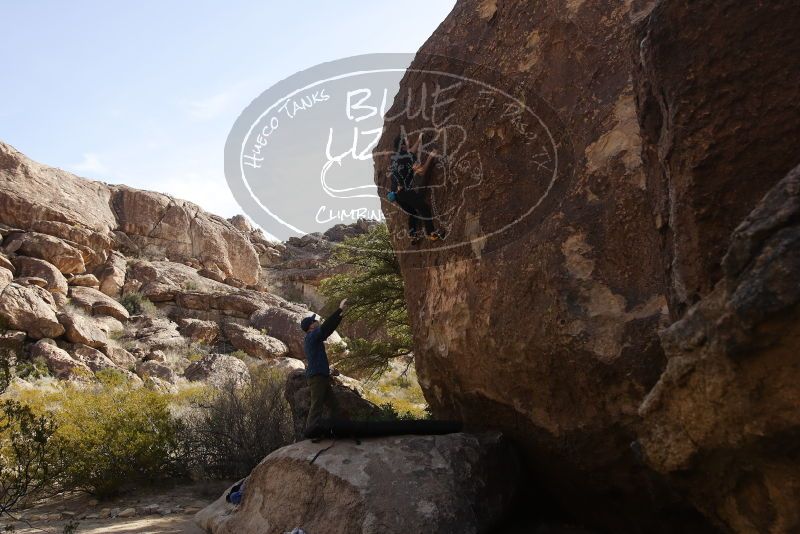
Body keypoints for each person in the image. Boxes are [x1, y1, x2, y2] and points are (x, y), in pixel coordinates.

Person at [300, 298, 348, 435]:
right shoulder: (311, 336)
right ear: (311, 326)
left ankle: (342, 428)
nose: (317, 321)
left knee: (334, 406)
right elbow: (326, 327)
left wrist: (340, 315)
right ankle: (310, 433)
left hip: (321, 376)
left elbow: (328, 329)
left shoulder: (313, 336)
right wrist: (339, 309)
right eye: (314, 321)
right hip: (317, 377)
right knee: (316, 405)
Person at [389, 132, 443, 244]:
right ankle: (431, 234)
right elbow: (422, 171)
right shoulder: (406, 157)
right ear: (403, 145)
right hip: (405, 192)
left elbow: (411, 152)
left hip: (397, 195)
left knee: (413, 212)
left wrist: (419, 140)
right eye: (407, 141)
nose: (409, 142)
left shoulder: (396, 158)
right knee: (424, 208)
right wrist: (431, 156)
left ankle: (413, 235)